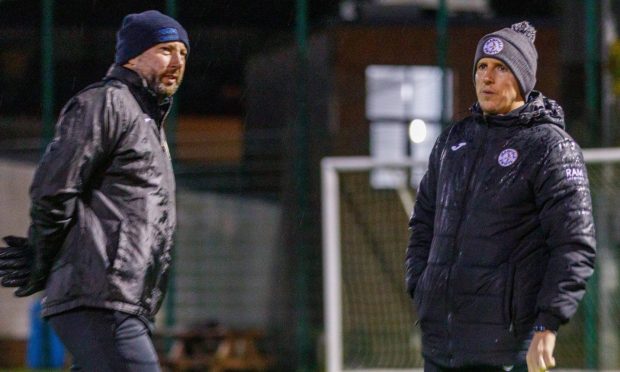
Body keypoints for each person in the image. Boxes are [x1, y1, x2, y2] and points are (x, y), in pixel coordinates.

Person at [0, 10, 189, 371]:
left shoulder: (147, 122)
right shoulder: (106, 102)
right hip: (100, 296)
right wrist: (43, 254)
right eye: (166, 50)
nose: (177, 61)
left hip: (121, 300)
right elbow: (54, 188)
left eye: (183, 53)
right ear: (131, 55)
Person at [405, 21, 596, 372]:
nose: (486, 78)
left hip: (506, 350)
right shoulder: (452, 142)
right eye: (481, 67)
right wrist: (422, 287)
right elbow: (423, 223)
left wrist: (548, 323)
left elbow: (574, 245)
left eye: (500, 68)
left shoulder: (549, 147)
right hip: (442, 345)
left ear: (522, 79)